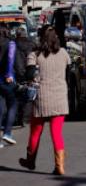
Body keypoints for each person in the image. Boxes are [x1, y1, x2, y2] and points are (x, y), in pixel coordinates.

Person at [19, 28, 70, 176]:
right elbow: (67, 71)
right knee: (56, 133)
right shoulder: (63, 53)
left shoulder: (34, 55)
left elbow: (29, 74)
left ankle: (30, 161)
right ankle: (59, 166)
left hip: (41, 97)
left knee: (36, 131)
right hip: (60, 97)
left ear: (40, 38)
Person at [0, 25, 19, 145]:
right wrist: (9, 74)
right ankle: (7, 132)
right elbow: (11, 58)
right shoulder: (10, 44)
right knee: (13, 104)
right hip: (7, 78)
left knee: (0, 107)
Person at [14, 27, 36, 128]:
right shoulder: (31, 44)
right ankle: (25, 118)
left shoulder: (12, 45)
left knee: (16, 96)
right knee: (29, 95)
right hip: (29, 72)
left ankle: (17, 117)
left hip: (15, 73)